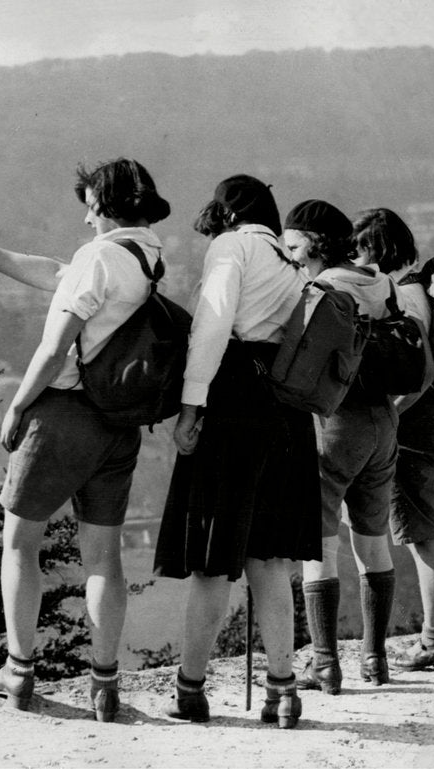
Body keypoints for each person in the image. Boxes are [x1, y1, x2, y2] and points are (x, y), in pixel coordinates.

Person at [0, 158, 172, 722]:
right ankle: (104, 684)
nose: (86, 215)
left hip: (63, 416)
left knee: (20, 543)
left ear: (107, 204)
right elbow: (55, 271)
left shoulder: (99, 256)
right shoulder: (147, 254)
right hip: (117, 424)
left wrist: (17, 407)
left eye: (90, 204)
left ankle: (17, 674)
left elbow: (56, 345)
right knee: (103, 559)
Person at [152, 175, 321, 729]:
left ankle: (190, 690)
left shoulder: (233, 246)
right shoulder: (291, 264)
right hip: (285, 414)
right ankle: (283, 691)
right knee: (270, 560)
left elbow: (211, 327)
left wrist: (191, 406)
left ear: (227, 211)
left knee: (211, 558)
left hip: (232, 404)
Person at [282, 200, 403, 695]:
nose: (289, 254)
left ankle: (326, 663)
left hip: (333, 422)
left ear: (314, 243)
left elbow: (305, 366)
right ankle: (375, 660)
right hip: (383, 421)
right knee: (373, 538)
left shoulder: (323, 289)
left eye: (293, 245)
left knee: (319, 541)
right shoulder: (381, 283)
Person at [351, 208, 434, 671]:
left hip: (416, 429)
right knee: (428, 532)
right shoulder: (418, 285)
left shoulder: (406, 292)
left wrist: (388, 420)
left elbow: (421, 372)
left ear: (376, 248)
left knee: (424, 537)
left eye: (358, 248)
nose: (354, 257)